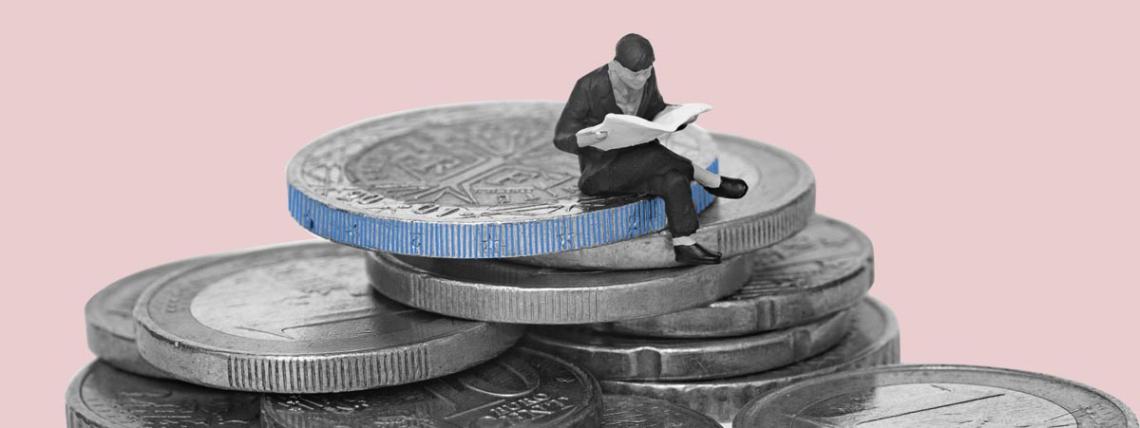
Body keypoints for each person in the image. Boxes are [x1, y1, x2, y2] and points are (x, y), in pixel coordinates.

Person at [553, 33, 749, 265]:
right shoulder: (588, 86)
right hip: (602, 172)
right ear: (615, 66)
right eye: (635, 73)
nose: (642, 78)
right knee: (655, 156)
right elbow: (562, 136)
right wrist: (588, 138)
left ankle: (684, 243)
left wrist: (680, 117)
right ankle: (711, 181)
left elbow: (656, 110)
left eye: (647, 71)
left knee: (674, 178)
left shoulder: (647, 77)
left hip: (643, 163)